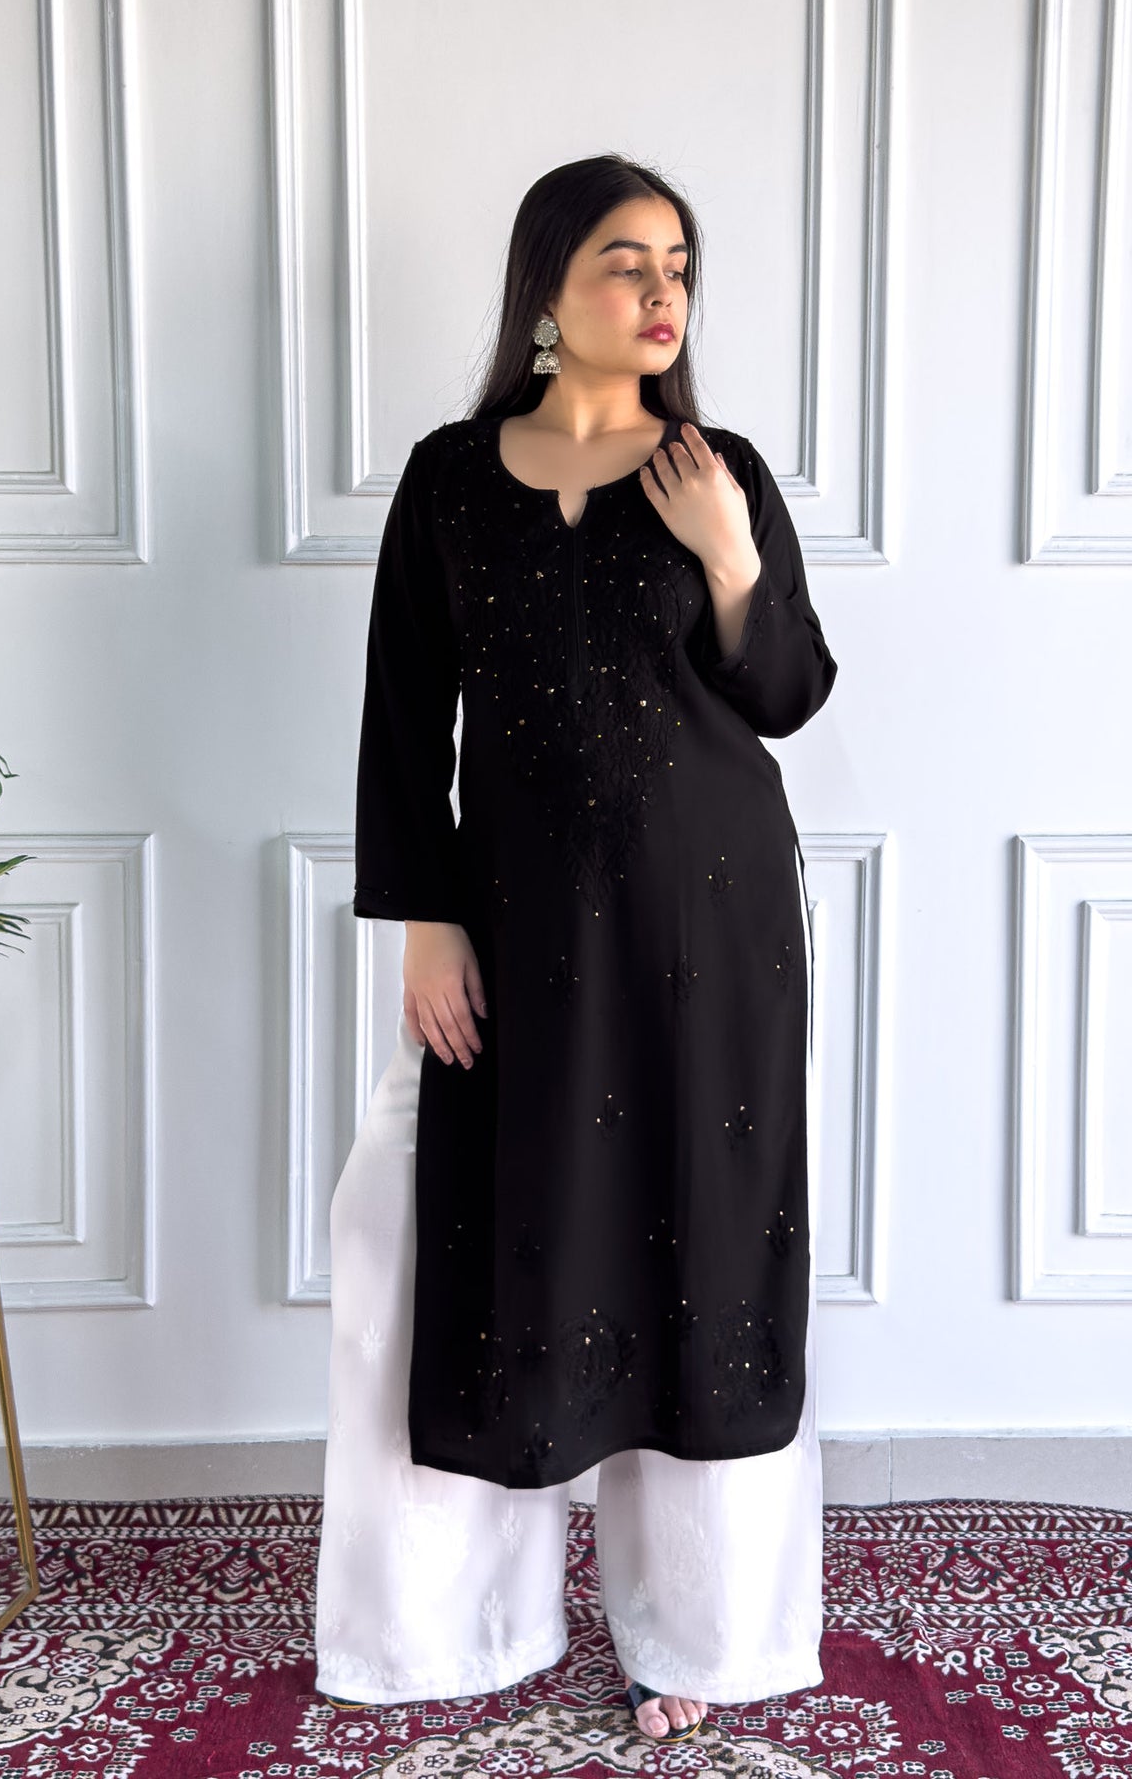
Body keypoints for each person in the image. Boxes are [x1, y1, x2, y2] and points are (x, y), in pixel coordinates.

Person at [314, 154, 839, 1743]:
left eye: (678, 263)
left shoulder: (714, 470)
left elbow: (787, 695)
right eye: (626, 260)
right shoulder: (448, 480)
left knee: (703, 1252)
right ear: (548, 287)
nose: (663, 291)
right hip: (518, 932)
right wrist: (424, 923)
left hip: (711, 926)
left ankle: (701, 1639)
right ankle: (461, 1625)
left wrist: (731, 555)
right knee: (489, 1240)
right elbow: (403, 720)